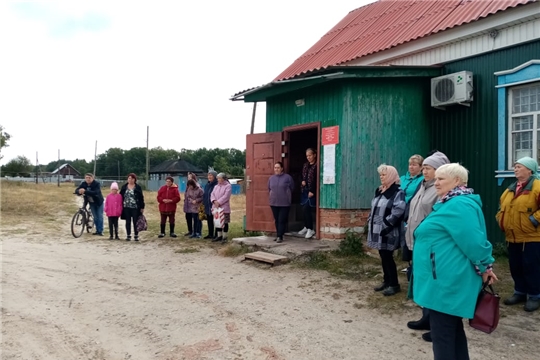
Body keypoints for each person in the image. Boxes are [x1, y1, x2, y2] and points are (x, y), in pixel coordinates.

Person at [413, 163, 498, 360]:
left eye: (441, 179)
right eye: (437, 178)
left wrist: (486, 266)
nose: (436, 182)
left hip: (445, 281)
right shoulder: (450, 202)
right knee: (451, 331)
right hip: (441, 277)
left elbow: (474, 241)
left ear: (457, 181)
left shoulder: (459, 204)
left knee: (442, 335)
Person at [404, 151, 450, 342]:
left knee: (432, 284)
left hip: (431, 246)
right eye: (423, 168)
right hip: (415, 242)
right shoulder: (421, 186)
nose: (424, 171)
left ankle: (436, 324)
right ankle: (426, 317)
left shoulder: (439, 191)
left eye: (428, 168)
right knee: (421, 281)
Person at [496, 156, 540, 312]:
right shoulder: (511, 188)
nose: (515, 169)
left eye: (519, 166)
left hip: (532, 237)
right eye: (514, 166)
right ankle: (520, 292)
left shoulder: (537, 186)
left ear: (530, 170)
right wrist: (500, 218)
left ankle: (534, 295)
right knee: (516, 266)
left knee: (531, 266)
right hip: (512, 236)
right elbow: (502, 206)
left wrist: (534, 220)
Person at [368, 164, 406, 296]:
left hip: (387, 229)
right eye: (380, 175)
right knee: (382, 255)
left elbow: (399, 210)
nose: (381, 177)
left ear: (390, 176)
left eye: (384, 175)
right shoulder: (380, 190)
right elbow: (374, 206)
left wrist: (386, 223)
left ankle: (394, 284)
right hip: (377, 229)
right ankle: (387, 281)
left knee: (388, 256)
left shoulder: (397, 192)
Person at [268, 161, 295, 243]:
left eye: (278, 167)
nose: (276, 169)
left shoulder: (288, 178)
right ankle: (278, 235)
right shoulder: (271, 178)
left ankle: (280, 236)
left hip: (284, 203)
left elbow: (292, 187)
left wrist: (287, 196)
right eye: (275, 168)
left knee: (281, 219)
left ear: (282, 168)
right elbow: (269, 188)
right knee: (276, 219)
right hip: (273, 202)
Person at [298, 148, 317, 239]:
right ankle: (306, 227)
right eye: (307, 156)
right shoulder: (305, 165)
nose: (308, 157)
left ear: (314, 155)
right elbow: (301, 175)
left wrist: (312, 191)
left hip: (311, 191)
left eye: (310, 155)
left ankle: (311, 229)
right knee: (303, 208)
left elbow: (316, 180)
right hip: (304, 190)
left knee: (307, 208)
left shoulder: (317, 165)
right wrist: (302, 181)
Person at [120, 173, 145, 241]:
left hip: (135, 207)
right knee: (127, 221)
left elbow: (141, 198)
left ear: (134, 179)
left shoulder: (137, 187)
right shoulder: (124, 187)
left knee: (135, 221)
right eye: (129, 178)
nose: (130, 180)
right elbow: (120, 196)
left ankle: (136, 235)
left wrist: (142, 207)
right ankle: (128, 235)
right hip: (126, 207)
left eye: (132, 178)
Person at [211, 173, 232, 242]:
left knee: (225, 222)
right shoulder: (216, 186)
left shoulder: (228, 186)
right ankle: (219, 236)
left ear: (223, 179)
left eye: (219, 178)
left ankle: (224, 237)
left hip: (224, 207)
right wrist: (214, 201)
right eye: (217, 178)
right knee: (217, 222)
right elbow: (212, 194)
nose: (218, 180)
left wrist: (219, 202)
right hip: (216, 207)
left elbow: (226, 196)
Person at [183, 172, 201, 236]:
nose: (189, 178)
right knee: (188, 217)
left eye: (190, 177)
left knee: (196, 218)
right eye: (188, 177)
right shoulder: (187, 186)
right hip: (188, 204)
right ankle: (190, 230)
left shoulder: (197, 186)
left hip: (194, 205)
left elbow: (200, 196)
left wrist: (195, 201)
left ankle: (197, 231)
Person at [203, 170, 218, 239]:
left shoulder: (216, 185)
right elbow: (205, 194)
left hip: (214, 204)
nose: (209, 177)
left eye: (211, 175)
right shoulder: (207, 184)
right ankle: (210, 234)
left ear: (215, 177)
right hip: (207, 204)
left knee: (216, 220)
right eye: (208, 175)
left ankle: (217, 234)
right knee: (209, 220)